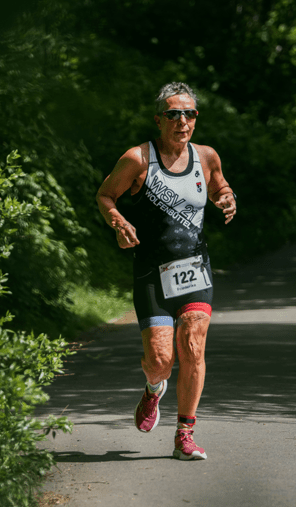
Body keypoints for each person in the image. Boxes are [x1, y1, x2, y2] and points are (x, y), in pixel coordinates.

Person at [95, 82, 236, 461]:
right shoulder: (138, 159)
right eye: (173, 114)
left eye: (189, 114)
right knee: (160, 360)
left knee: (192, 346)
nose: (182, 121)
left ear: (196, 119)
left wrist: (227, 198)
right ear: (159, 120)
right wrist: (118, 222)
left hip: (195, 268)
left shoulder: (206, 156)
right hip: (151, 273)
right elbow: (105, 195)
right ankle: (154, 387)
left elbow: (220, 187)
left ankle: (184, 435)